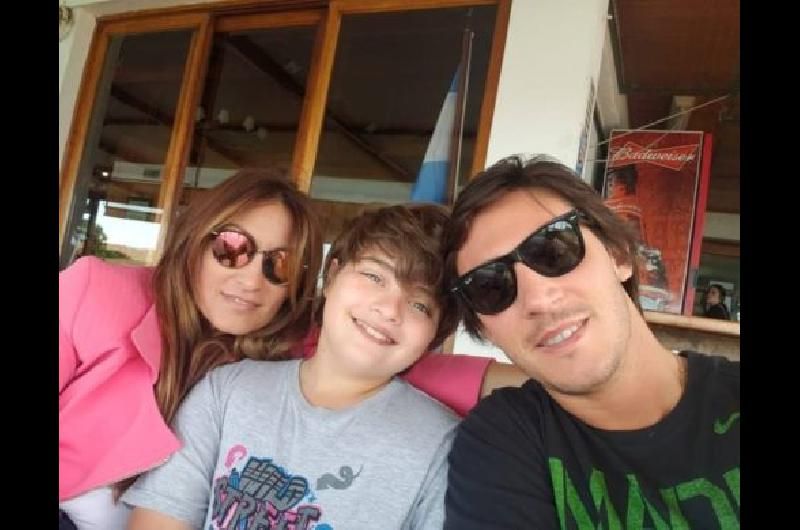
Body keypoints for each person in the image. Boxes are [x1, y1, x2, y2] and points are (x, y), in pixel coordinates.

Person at [59, 168, 527, 529]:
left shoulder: (279, 343)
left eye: (278, 265)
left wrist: (552, 375)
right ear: (195, 238)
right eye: (231, 248)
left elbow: (385, 365)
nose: (250, 279)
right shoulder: (96, 295)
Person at [442, 155, 740, 528]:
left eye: (554, 250)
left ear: (619, 255)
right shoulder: (502, 443)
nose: (538, 299)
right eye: (489, 287)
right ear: (485, 330)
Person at [122, 204, 461, 528]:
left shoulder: (444, 446)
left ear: (435, 335)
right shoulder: (226, 391)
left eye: (420, 305)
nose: (389, 309)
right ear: (332, 275)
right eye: (374, 276)